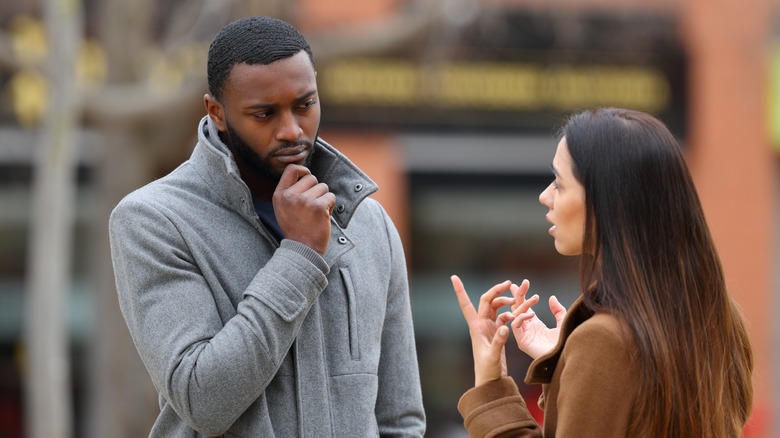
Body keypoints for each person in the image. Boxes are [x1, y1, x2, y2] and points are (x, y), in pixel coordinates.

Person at [108, 16, 425, 437]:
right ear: (217, 113)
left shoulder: (368, 222)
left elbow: (399, 419)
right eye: (264, 113)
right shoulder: (154, 221)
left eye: (304, 104)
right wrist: (300, 255)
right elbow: (202, 400)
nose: (291, 130)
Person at [451, 107, 753, 437]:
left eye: (559, 184)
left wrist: (491, 384)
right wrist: (566, 363)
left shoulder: (603, 342)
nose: (545, 196)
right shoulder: (714, 316)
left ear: (605, 201)